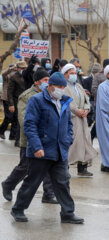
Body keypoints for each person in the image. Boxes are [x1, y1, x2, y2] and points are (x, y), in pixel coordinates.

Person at [11, 72, 84, 224]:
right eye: (58, 86)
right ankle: (18, 209)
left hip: (59, 151)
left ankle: (67, 213)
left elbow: (68, 124)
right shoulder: (36, 100)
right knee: (32, 182)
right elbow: (30, 125)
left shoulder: (64, 101)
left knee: (63, 183)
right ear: (50, 86)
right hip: (41, 151)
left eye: (63, 87)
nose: (61, 89)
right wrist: (37, 146)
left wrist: (67, 140)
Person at [2, 68, 57, 204]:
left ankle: (48, 194)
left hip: (48, 138)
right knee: (25, 167)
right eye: (45, 80)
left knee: (49, 166)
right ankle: (8, 184)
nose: (48, 83)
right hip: (30, 139)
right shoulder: (26, 96)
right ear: (37, 82)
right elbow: (24, 119)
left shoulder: (50, 94)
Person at [62, 64, 98, 176]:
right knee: (73, 144)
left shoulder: (78, 86)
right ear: (65, 75)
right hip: (72, 119)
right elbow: (67, 102)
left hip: (82, 118)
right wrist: (77, 111)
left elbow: (87, 100)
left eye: (74, 73)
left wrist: (86, 109)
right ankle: (65, 168)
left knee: (85, 142)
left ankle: (82, 168)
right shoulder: (64, 87)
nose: (74, 75)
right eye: (71, 73)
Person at [90, 59, 109, 142]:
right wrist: (103, 97)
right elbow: (94, 89)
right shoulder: (98, 76)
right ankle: (91, 137)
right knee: (99, 123)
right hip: (100, 104)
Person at [7, 61, 28, 147]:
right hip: (17, 100)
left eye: (24, 68)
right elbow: (10, 92)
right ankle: (17, 140)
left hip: (27, 100)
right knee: (18, 120)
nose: (23, 70)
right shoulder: (13, 77)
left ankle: (20, 138)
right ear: (18, 68)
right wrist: (11, 104)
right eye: (22, 68)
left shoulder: (27, 75)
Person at [0, 64, 18, 140]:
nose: (14, 71)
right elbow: (4, 74)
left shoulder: (17, 77)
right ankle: (1, 131)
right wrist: (10, 68)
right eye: (13, 70)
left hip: (15, 98)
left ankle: (12, 135)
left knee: (15, 118)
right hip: (6, 98)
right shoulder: (6, 77)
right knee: (8, 116)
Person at [83, 63, 101, 129]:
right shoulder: (86, 81)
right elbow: (86, 93)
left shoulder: (101, 80)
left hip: (99, 102)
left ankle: (91, 136)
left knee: (98, 122)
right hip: (91, 102)